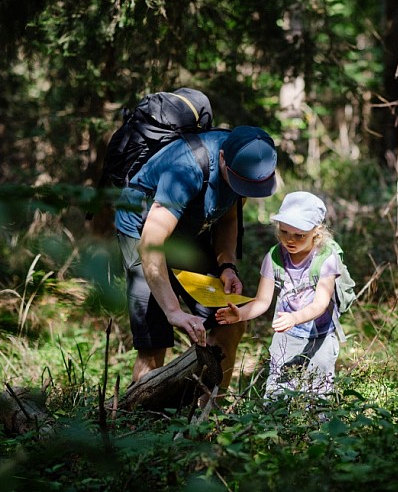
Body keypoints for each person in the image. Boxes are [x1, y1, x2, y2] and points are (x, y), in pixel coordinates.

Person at [115, 125, 278, 387]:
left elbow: (228, 218)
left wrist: (227, 266)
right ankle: (143, 418)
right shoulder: (186, 170)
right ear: (223, 158)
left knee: (230, 320)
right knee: (155, 340)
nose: (244, 190)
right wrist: (173, 310)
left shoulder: (245, 170)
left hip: (189, 230)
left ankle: (211, 414)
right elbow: (151, 243)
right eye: (239, 182)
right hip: (142, 232)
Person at [215, 191, 342, 398]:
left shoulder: (326, 258)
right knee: (277, 391)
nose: (289, 240)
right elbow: (262, 301)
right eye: (284, 232)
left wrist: (295, 317)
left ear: (316, 232)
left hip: (321, 336)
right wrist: (240, 314)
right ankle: (273, 427)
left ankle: (318, 426)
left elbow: (320, 304)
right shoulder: (274, 256)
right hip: (287, 336)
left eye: (299, 235)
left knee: (319, 393)